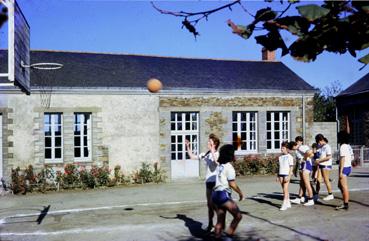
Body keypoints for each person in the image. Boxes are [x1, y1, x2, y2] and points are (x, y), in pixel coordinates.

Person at [185, 133, 220, 231]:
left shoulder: (217, 154)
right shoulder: (206, 154)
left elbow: (216, 161)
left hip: (216, 182)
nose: (208, 142)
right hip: (208, 182)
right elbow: (192, 157)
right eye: (208, 141)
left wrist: (212, 150)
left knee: (215, 205)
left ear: (215, 144)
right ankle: (210, 224)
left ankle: (220, 222)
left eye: (210, 141)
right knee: (209, 205)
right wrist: (188, 146)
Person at [212, 144, 244, 240]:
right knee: (238, 216)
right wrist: (240, 193)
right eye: (233, 153)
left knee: (220, 221)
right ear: (230, 155)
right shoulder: (229, 167)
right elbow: (232, 184)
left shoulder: (220, 166)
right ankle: (229, 235)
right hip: (223, 195)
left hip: (215, 195)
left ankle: (217, 238)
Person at [336, 131, 353, 210]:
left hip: (344, 167)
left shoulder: (343, 146)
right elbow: (351, 157)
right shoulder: (348, 146)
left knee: (344, 186)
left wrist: (340, 172)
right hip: (348, 167)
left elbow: (342, 159)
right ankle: (345, 201)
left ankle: (345, 204)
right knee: (339, 185)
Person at [290, 137, 310, 205]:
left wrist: (304, 159)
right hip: (302, 165)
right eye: (296, 141)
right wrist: (295, 169)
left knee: (306, 183)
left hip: (306, 164)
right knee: (302, 182)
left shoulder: (302, 147)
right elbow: (297, 160)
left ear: (301, 142)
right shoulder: (297, 150)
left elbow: (309, 153)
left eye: (299, 141)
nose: (297, 143)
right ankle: (300, 197)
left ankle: (311, 198)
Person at [315, 134, 334, 201]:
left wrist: (319, 160)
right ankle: (316, 194)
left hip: (326, 165)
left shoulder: (327, 146)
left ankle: (330, 194)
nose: (318, 143)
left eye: (318, 142)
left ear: (321, 140)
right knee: (318, 180)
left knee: (326, 180)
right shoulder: (321, 147)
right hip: (321, 165)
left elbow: (329, 157)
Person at [277, 141, 294, 211]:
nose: (281, 149)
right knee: (284, 190)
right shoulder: (280, 157)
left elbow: (291, 167)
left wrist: (289, 176)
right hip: (281, 174)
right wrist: (277, 176)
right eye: (281, 148)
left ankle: (284, 204)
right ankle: (288, 202)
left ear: (287, 149)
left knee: (285, 189)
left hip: (287, 174)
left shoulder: (290, 157)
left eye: (283, 148)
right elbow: (279, 167)